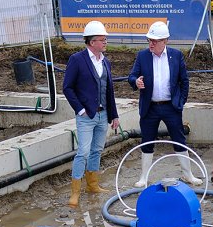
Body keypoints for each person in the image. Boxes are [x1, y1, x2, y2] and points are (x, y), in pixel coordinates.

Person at [127, 21, 201, 188]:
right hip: (150, 106)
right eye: (149, 40)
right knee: (147, 140)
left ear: (165, 41)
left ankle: (188, 174)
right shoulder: (142, 56)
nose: (151, 43)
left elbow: (184, 81)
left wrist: (180, 102)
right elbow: (131, 76)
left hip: (171, 106)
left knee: (179, 139)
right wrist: (135, 81)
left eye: (155, 40)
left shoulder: (176, 55)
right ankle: (144, 177)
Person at [62, 20, 120, 207]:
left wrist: (114, 115)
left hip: (103, 115)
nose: (105, 42)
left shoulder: (106, 62)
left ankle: (92, 184)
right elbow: (68, 88)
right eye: (102, 40)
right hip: (86, 116)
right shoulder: (77, 60)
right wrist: (80, 109)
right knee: (83, 152)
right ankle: (75, 191)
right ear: (92, 41)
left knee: (97, 150)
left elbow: (109, 90)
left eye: (105, 39)